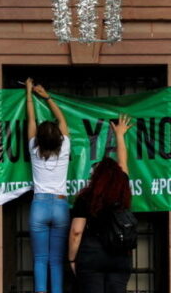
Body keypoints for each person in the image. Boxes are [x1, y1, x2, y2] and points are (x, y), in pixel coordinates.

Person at [68, 114, 133, 293]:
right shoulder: (123, 190)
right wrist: (119, 135)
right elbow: (123, 163)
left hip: (91, 256)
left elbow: (76, 231)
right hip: (120, 255)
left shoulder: (85, 198)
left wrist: (72, 259)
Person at [26, 78, 71, 293]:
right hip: (61, 205)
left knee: (40, 260)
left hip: (39, 205)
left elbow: (30, 118)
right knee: (56, 260)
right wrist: (47, 97)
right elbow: (62, 119)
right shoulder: (65, 148)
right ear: (59, 138)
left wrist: (28, 93)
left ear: (39, 139)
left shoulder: (34, 149)